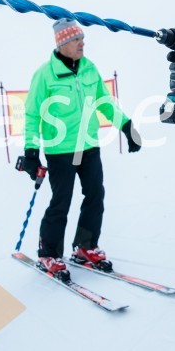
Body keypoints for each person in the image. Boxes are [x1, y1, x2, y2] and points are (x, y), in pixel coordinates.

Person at [16, 18, 141, 280]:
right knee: (61, 202)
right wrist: (31, 151)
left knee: (95, 195)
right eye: (76, 40)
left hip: (88, 146)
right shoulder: (45, 75)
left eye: (82, 39)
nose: (82, 43)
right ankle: (48, 253)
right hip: (60, 149)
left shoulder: (89, 69)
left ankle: (85, 246)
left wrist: (126, 125)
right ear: (62, 43)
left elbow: (104, 102)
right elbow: (31, 115)